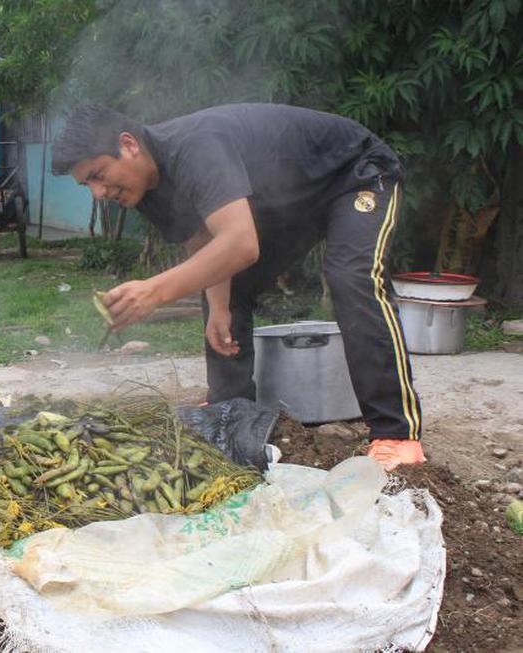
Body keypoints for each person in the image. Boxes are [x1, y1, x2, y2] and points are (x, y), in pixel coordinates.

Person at [52, 103, 425, 471]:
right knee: (230, 291)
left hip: (353, 174)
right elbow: (203, 238)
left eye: (99, 174)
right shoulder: (145, 189)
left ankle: (396, 432)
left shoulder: (195, 148)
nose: (98, 192)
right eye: (89, 184)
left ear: (129, 144)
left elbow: (241, 243)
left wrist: (154, 290)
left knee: (352, 275)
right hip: (293, 204)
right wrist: (219, 307)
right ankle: (229, 410)